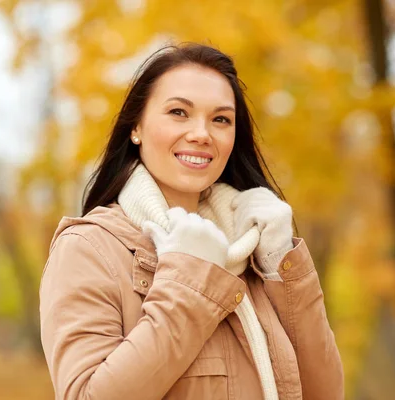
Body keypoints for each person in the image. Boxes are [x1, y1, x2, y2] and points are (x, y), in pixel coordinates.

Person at [39, 43, 344, 400]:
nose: (202, 134)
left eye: (220, 119)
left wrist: (281, 264)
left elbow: (325, 393)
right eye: (179, 112)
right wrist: (189, 278)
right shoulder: (90, 249)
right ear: (135, 127)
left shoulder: (249, 246)